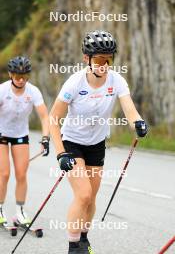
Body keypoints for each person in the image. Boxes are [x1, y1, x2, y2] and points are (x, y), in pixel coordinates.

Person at [49, 30, 148, 254]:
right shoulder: (74, 83)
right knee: (83, 194)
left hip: (96, 144)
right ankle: (73, 246)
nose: (104, 65)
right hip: (72, 143)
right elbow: (53, 119)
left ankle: (83, 238)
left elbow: (130, 111)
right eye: (99, 60)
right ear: (87, 59)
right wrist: (60, 153)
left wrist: (139, 123)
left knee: (91, 198)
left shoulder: (117, 81)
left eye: (109, 60)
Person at [0, 56, 50, 226]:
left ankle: (20, 212)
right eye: (17, 76)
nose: (21, 80)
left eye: (24, 76)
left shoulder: (33, 91)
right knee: (4, 173)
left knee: (21, 174)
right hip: (1, 134)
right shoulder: (2, 90)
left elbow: (44, 116)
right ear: (10, 75)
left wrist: (45, 138)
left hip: (20, 135)